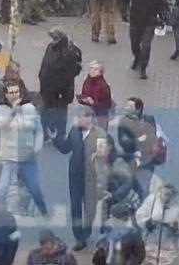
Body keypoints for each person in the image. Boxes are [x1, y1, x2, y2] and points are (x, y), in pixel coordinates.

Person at [48, 104, 106, 251]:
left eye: (81, 117)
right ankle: (80, 238)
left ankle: (86, 232)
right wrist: (56, 139)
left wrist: (100, 154)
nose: (79, 120)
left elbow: (104, 154)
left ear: (90, 118)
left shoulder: (100, 133)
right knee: (75, 207)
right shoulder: (74, 131)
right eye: (78, 117)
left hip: (91, 176)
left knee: (90, 208)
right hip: (75, 175)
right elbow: (66, 148)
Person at [0, 82, 49, 217]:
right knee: (3, 188)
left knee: (34, 187)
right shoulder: (1, 109)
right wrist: (13, 110)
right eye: (11, 92)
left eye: (16, 92)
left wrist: (37, 147)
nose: (15, 95)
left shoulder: (30, 108)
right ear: (5, 95)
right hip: (9, 155)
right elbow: (1, 126)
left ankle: (42, 211)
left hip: (27, 155)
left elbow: (39, 130)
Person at [38, 28, 82, 138]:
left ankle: (59, 133)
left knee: (60, 110)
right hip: (49, 85)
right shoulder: (52, 48)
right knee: (48, 108)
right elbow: (46, 66)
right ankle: (46, 131)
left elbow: (72, 69)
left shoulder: (69, 53)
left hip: (62, 87)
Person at [122, 0, 167, 79]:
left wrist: (162, 18)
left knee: (146, 46)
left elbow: (163, 5)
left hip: (149, 22)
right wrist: (124, 12)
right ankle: (137, 57)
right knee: (134, 43)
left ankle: (143, 68)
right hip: (135, 21)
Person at [136, 182, 179, 265]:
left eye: (169, 194)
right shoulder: (152, 200)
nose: (167, 197)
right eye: (165, 194)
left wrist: (177, 227)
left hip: (169, 245)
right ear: (160, 191)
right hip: (150, 242)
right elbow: (140, 215)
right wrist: (146, 222)